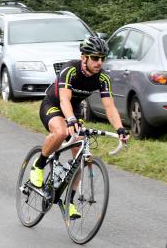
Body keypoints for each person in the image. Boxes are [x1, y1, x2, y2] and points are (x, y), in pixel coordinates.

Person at [31, 36, 130, 218]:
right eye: (95, 58)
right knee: (60, 132)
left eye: (102, 58)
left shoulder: (102, 79)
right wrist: (69, 119)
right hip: (53, 105)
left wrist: (120, 129)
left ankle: (68, 201)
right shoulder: (70, 70)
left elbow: (109, 107)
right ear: (84, 57)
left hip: (74, 111)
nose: (99, 62)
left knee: (81, 154)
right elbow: (64, 99)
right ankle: (39, 165)